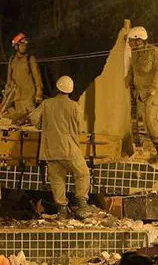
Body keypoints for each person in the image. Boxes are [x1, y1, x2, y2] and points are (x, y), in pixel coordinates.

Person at [29, 76, 91, 220]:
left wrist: (42, 126)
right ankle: (81, 205)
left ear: (57, 88)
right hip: (69, 148)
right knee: (83, 173)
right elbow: (81, 128)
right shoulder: (74, 106)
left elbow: (33, 118)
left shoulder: (46, 103)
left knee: (57, 180)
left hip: (50, 150)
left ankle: (62, 210)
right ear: (70, 90)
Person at [125, 26, 158, 163]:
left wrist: (153, 88)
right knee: (146, 122)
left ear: (139, 40)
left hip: (157, 91)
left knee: (152, 118)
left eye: (131, 41)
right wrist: (127, 84)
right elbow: (133, 72)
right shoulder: (135, 54)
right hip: (143, 92)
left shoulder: (154, 52)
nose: (129, 43)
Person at [5, 32, 43, 116]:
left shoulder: (30, 59)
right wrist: (7, 93)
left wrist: (39, 94)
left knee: (30, 123)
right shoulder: (12, 60)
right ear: (16, 47)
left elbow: (37, 77)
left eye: (25, 45)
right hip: (17, 98)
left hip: (29, 98)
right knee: (19, 123)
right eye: (21, 45)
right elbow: (9, 78)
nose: (24, 47)